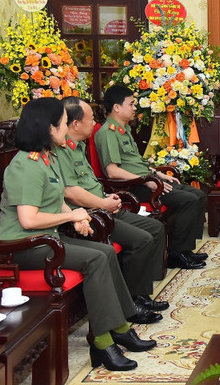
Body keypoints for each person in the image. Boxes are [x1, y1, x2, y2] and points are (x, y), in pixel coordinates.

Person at [0, 98, 156, 372]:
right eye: (62, 124)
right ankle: (104, 342)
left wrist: (78, 216)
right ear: (48, 128)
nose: (66, 128)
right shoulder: (25, 165)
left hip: (47, 237)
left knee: (104, 251)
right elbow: (28, 219)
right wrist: (72, 216)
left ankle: (120, 327)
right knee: (95, 259)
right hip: (21, 245)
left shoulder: (47, 157)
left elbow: (56, 198)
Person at [59, 96, 188, 318]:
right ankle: (131, 303)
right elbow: (70, 193)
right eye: (90, 119)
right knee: (141, 239)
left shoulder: (78, 146)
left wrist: (108, 197)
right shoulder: (61, 152)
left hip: (103, 206)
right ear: (75, 124)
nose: (94, 123)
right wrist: (103, 203)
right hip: (90, 216)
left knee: (155, 228)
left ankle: (140, 295)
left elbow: (90, 183)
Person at [94, 85, 207, 270]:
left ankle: (186, 250)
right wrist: (147, 181)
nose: (134, 108)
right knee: (188, 200)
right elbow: (112, 171)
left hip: (147, 180)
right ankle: (176, 254)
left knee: (199, 195)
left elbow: (136, 163)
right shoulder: (107, 133)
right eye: (130, 104)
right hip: (133, 186)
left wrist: (157, 173)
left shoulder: (124, 129)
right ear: (116, 107)